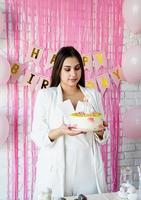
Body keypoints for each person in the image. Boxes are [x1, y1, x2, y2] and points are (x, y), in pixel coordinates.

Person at [31, 46, 109, 200]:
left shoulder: (93, 96)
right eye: (67, 69)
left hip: (87, 168)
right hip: (57, 168)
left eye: (77, 68)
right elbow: (37, 136)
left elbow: (104, 135)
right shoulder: (46, 96)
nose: (73, 74)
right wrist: (61, 130)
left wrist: (100, 131)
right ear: (59, 70)